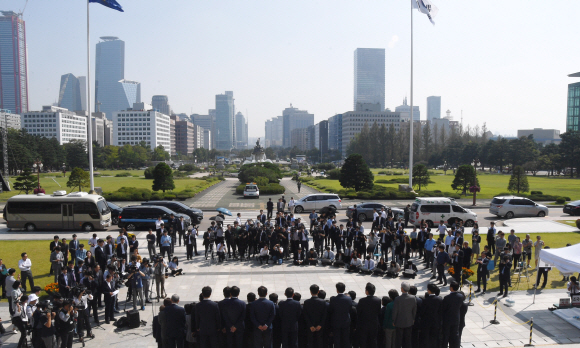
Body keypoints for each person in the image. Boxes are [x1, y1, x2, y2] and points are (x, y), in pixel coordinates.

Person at [391, 281, 417, 348]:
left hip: (399, 322)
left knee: (398, 340)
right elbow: (414, 310)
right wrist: (413, 319)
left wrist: (393, 320)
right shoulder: (413, 298)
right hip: (409, 322)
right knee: (407, 340)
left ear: (402, 289)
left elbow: (395, 311)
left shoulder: (397, 299)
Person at [355, 282, 381, 348]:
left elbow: (358, 312)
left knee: (363, 341)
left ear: (367, 291)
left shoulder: (362, 301)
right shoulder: (378, 300)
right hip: (374, 324)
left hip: (364, 324)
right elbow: (378, 312)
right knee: (373, 340)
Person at [329, 282, 352, 348]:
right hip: (346, 322)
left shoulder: (333, 299)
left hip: (336, 322)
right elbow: (350, 309)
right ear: (344, 289)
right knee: (346, 340)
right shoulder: (349, 299)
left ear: (337, 290)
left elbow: (331, 310)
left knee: (336, 340)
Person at [441, 281, 465, 348]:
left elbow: (443, 308)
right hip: (456, 319)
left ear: (451, 288)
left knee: (446, 336)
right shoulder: (460, 296)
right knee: (454, 336)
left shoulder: (447, 298)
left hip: (447, 320)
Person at [420, 284, 442, 348]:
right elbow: (440, 312)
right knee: (434, 339)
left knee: (426, 339)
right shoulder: (439, 299)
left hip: (427, 323)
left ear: (429, 290)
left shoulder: (426, 300)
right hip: (436, 323)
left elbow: (422, 312)